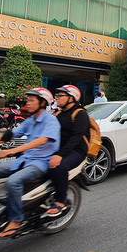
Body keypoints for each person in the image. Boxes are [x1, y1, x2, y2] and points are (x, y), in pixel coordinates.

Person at [0, 88, 60, 238]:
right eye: (27, 100)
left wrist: (11, 151)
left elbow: (42, 140)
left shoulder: (51, 121)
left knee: (13, 182)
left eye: (31, 100)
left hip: (40, 163)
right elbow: (10, 136)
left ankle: (16, 220)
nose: (27, 103)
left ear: (42, 103)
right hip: (23, 161)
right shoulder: (30, 121)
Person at [47, 85, 89, 217]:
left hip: (76, 151)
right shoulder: (59, 113)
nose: (57, 98)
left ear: (71, 98)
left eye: (60, 95)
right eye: (56, 95)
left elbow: (75, 139)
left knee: (59, 167)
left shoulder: (80, 114)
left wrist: (60, 155)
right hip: (60, 149)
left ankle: (61, 200)